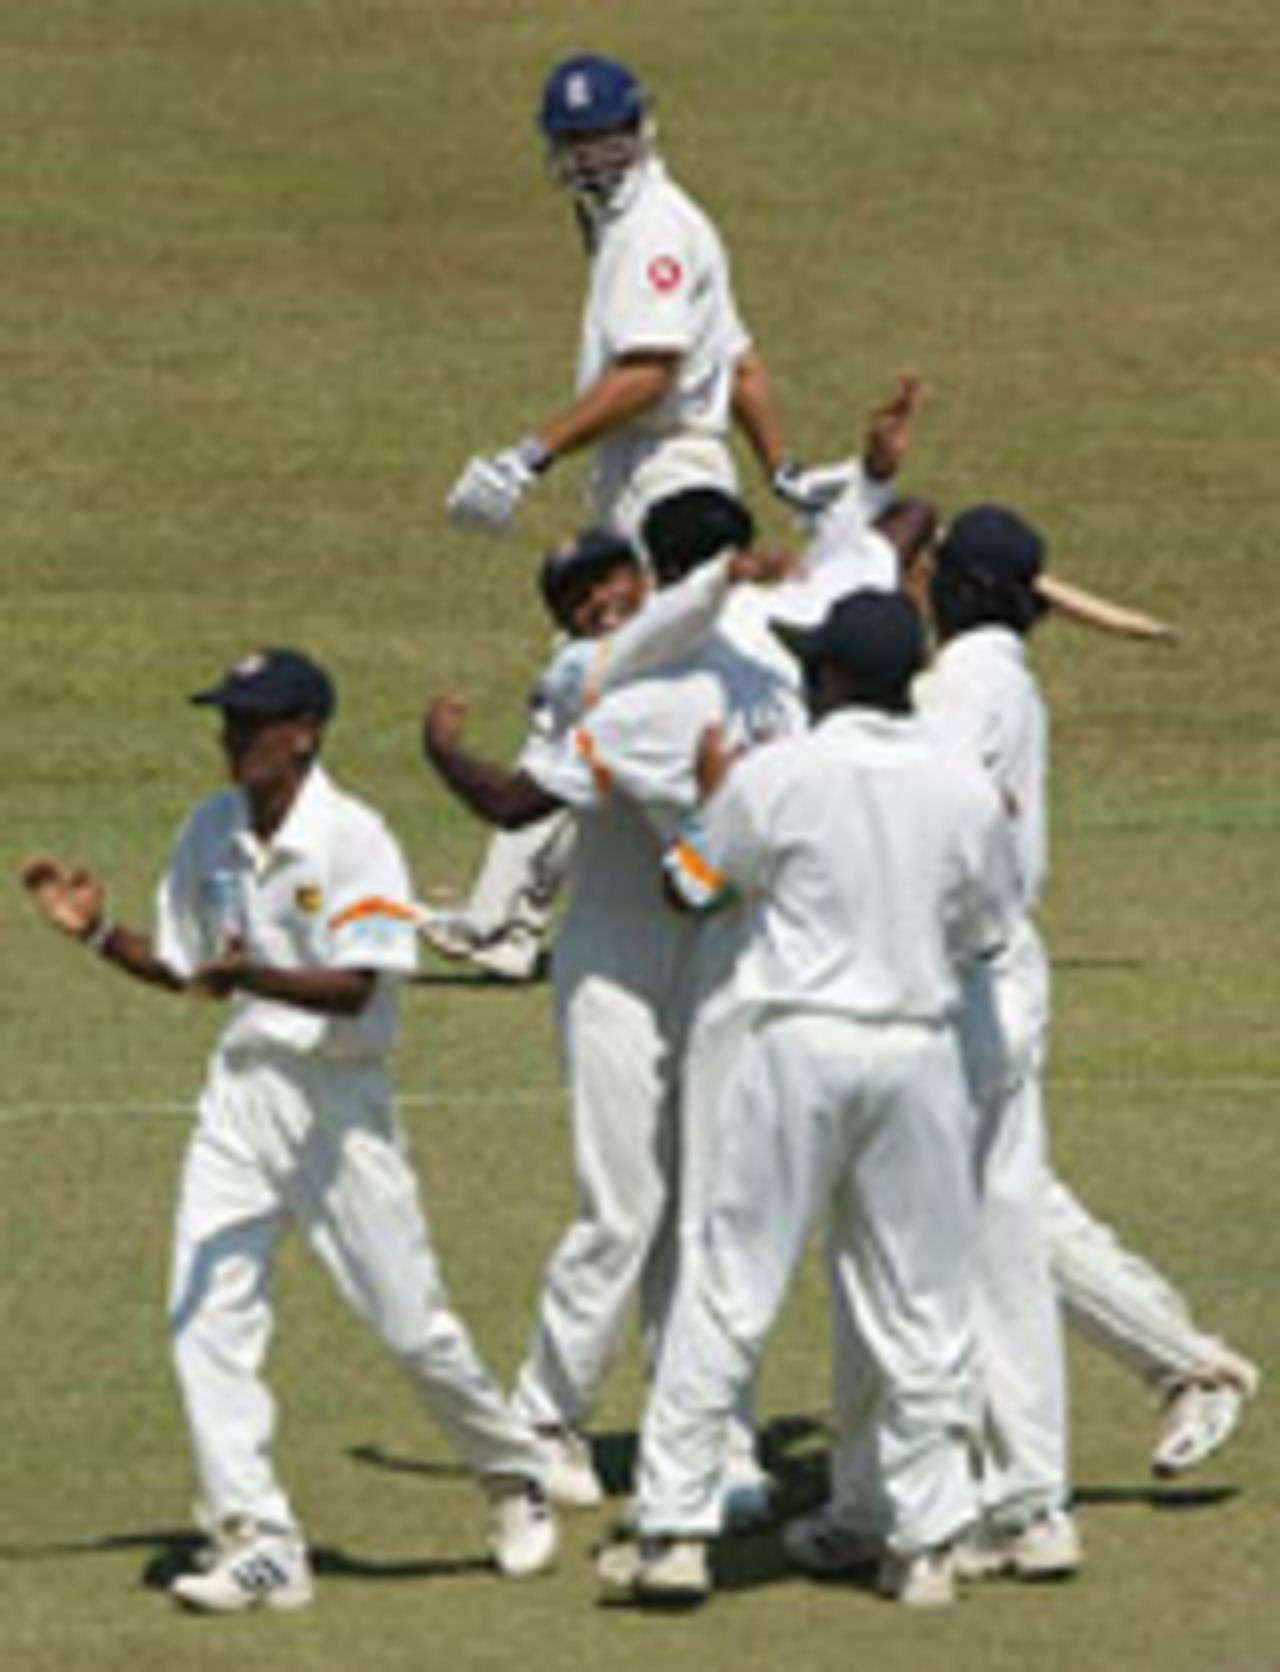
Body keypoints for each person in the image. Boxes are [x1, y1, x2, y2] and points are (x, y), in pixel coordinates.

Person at [19, 648, 557, 1614]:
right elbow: (192, 969)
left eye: (252, 723)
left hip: (338, 1105)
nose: (233, 741)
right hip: (242, 1093)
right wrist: (100, 936)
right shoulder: (209, 830)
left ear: (303, 732)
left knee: (409, 1324)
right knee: (204, 1314)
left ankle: (510, 1471)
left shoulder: (355, 838)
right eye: (226, 721)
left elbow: (361, 983)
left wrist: (250, 978)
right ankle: (260, 1539)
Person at [596, 590, 1021, 1609]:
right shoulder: (962, 785)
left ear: (828, 677)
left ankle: (673, 1530)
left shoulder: (773, 773)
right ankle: (923, 1544)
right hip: (915, 1047)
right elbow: (985, 933)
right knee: (920, 1296)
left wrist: (707, 801)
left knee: (729, 1279)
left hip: (795, 1039)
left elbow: (689, 887)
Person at [423, 501, 804, 1519]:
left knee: (714, 1203)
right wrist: (443, 755)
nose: (601, 608)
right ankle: (544, 1417)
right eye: (579, 601)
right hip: (612, 960)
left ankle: (714, 1431)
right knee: (624, 1203)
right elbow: (514, 804)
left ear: (649, 577)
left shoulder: (758, 670)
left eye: (613, 588)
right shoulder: (586, 683)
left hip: (719, 952)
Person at [445, 51, 851, 545]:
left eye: (605, 139)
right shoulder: (626, 219)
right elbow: (740, 363)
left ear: (638, 128)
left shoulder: (650, 227)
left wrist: (526, 459)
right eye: (577, 143)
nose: (591, 159)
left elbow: (648, 374)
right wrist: (783, 470)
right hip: (654, 470)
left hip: (667, 477)